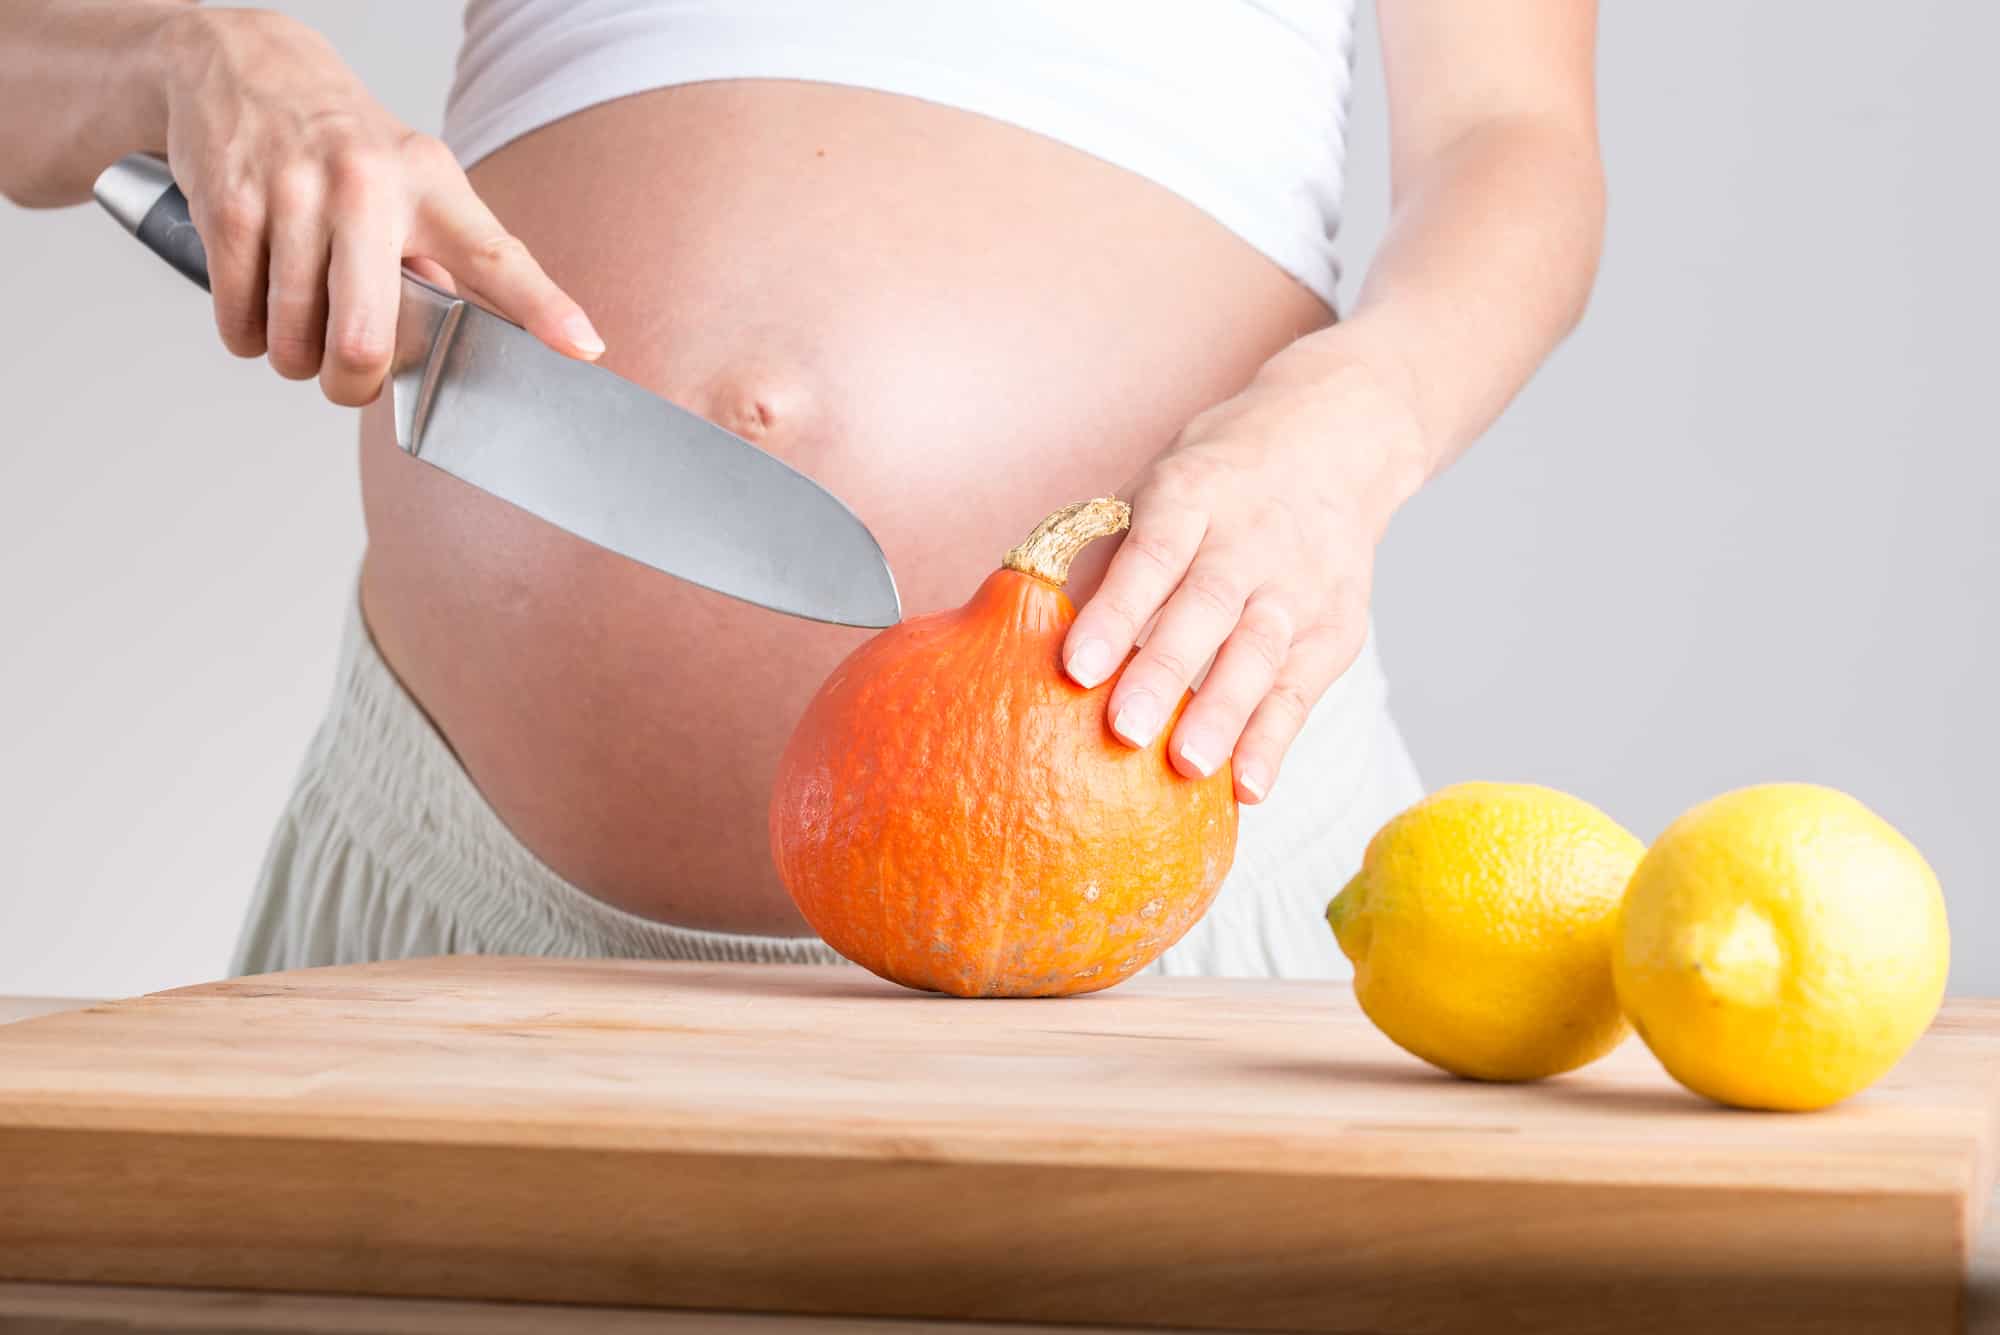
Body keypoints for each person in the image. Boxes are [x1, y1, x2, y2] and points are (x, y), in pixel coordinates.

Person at [1, 2, 1604, 978]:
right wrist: (191, 52)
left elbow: (1511, 136)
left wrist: (1355, 422)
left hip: (1165, 905)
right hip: (450, 940)